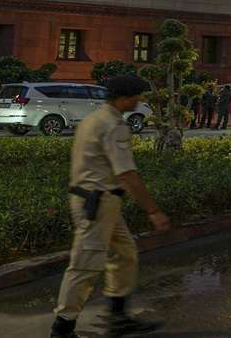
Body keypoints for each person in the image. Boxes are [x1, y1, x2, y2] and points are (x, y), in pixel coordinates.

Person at [49, 75, 170, 338]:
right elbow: (127, 175)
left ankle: (118, 317)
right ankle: (62, 328)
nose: (139, 101)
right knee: (85, 265)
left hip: (101, 201)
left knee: (124, 253)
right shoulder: (113, 125)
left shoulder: (95, 118)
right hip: (97, 203)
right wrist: (153, 211)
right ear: (126, 98)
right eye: (138, 96)